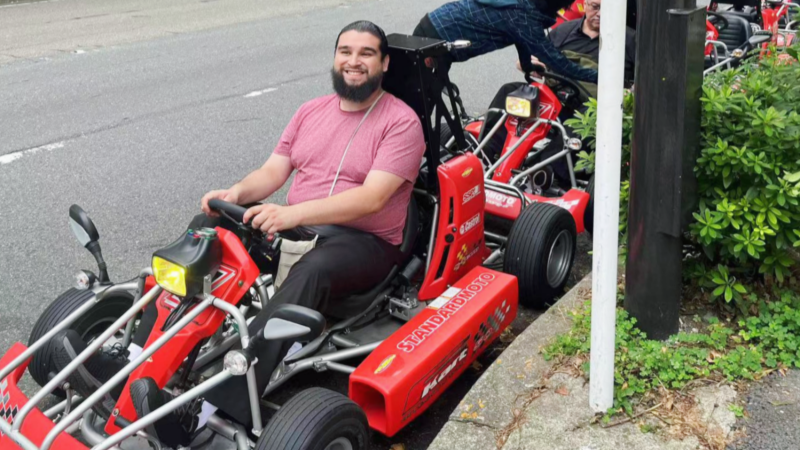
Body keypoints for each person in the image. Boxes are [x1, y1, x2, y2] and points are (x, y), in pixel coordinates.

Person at [50, 20, 426, 448]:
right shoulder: (311, 111)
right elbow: (274, 171)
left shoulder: (400, 122)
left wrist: (289, 214)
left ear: (384, 62)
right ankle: (134, 363)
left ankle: (206, 410)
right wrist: (235, 194)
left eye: (366, 54)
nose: (354, 61)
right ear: (335, 57)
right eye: (346, 51)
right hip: (296, 222)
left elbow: (372, 199)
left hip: (367, 243)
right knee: (205, 232)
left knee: (313, 269)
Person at [482, 0, 636, 180]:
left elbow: (647, 77)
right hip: (553, 99)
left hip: (591, 106)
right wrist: (526, 63)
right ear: (585, 5)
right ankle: (486, 155)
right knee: (510, 90)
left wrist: (631, 91)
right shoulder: (564, 31)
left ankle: (539, 173)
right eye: (595, 7)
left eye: (606, 9)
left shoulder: (630, 40)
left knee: (590, 118)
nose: (600, 14)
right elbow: (533, 57)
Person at [412, 0, 599, 84]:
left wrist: (527, 65)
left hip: (435, 23)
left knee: (428, 95)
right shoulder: (525, 17)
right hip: (437, 37)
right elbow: (557, 61)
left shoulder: (523, 6)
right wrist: (598, 77)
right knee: (424, 101)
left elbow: (520, 38)